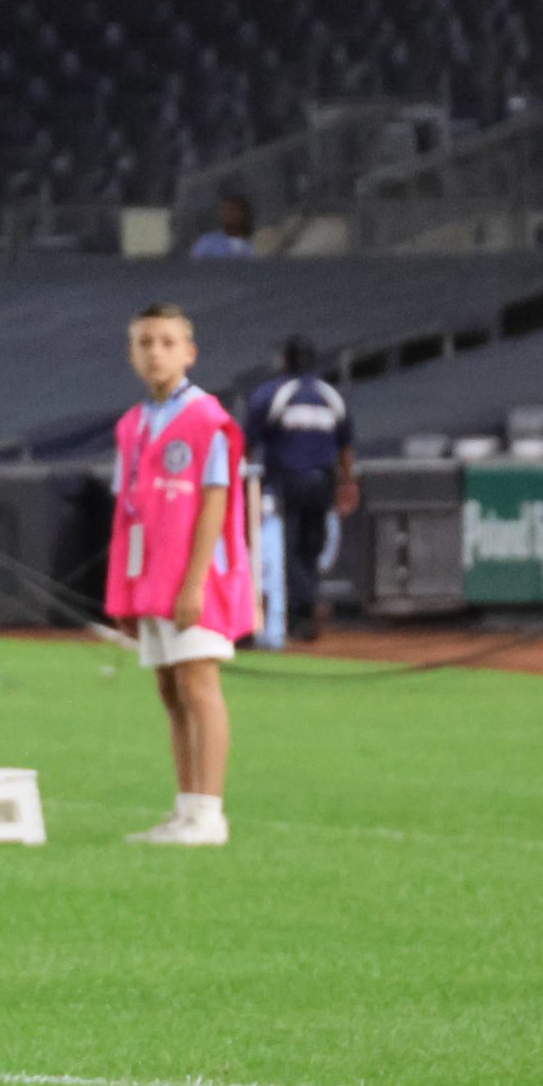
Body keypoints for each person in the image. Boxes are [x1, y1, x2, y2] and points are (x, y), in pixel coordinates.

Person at [106, 304, 253, 847]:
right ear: (132, 354)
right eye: (146, 343)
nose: (156, 352)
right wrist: (124, 593)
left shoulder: (208, 420)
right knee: (170, 688)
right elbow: (130, 513)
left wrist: (193, 583)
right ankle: (187, 809)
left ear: (189, 353)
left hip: (196, 579)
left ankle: (210, 815)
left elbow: (217, 502)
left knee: (198, 682)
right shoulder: (132, 426)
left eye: (168, 342)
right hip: (152, 578)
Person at [245, 335, 357, 642]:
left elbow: (247, 442)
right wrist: (348, 482)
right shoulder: (331, 395)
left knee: (290, 549)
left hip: (287, 482)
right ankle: (304, 613)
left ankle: (303, 608)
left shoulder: (272, 394)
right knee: (310, 548)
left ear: (285, 361)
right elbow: (345, 448)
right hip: (323, 482)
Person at [188, 195, 257, 260]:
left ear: (244, 214)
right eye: (225, 211)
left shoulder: (256, 244)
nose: (228, 215)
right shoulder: (207, 242)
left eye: (232, 210)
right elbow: (194, 268)